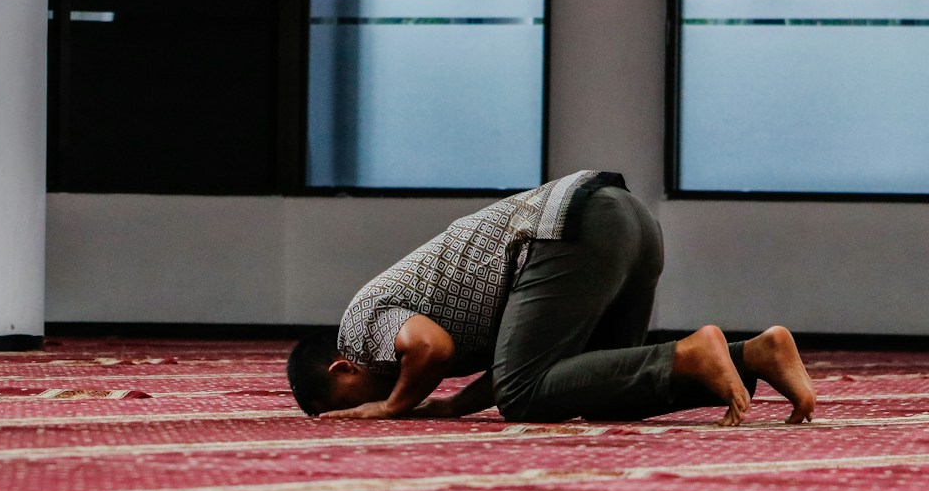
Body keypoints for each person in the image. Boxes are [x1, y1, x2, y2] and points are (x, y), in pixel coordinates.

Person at [286, 170, 816, 426]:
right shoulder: (387, 330)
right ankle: (757, 355)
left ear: (342, 371)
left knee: (522, 397)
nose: (359, 412)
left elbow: (432, 348)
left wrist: (392, 407)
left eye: (347, 408)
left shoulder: (360, 326)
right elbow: (519, 362)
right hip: (628, 222)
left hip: (573, 228)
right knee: (600, 395)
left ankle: (689, 351)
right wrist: (449, 407)